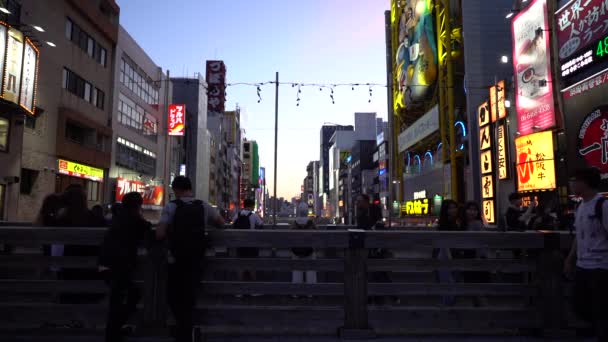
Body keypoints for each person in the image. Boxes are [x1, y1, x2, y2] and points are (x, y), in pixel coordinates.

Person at [156, 176, 225, 342]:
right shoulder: (203, 206)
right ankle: (189, 331)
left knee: (174, 296)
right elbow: (221, 223)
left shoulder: (171, 207)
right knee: (191, 296)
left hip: (176, 259)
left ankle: (182, 331)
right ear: (190, 188)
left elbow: (160, 234)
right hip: (197, 259)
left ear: (176, 189)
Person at [98, 192, 151, 342]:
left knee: (117, 300)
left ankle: (114, 331)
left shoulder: (118, 217)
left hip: (106, 262)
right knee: (130, 296)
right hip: (120, 266)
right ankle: (114, 332)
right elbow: (147, 228)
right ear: (138, 206)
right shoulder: (135, 219)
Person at [564, 168, 608, 341]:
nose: (571, 184)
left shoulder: (602, 205)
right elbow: (578, 236)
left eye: (574, 180)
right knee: (580, 305)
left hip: (601, 266)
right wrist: (570, 259)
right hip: (583, 265)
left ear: (585, 182)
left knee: (601, 310)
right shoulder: (580, 206)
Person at [460, 201, 490, 306]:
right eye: (470, 209)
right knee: (476, 289)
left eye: (475, 210)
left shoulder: (477, 223)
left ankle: (481, 311)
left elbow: (481, 243)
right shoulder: (463, 224)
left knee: (477, 289)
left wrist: (482, 257)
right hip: (470, 257)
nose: (472, 212)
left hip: (477, 258)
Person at [435, 200, 461, 306]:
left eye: (454, 207)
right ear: (445, 210)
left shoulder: (456, 222)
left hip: (453, 256)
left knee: (451, 283)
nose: (453, 210)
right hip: (446, 256)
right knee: (449, 283)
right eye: (450, 208)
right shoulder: (445, 224)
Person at [232, 198, 263, 284]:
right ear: (252, 206)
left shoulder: (237, 215)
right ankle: (253, 289)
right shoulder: (253, 216)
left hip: (239, 243)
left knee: (240, 266)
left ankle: (239, 291)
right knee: (252, 265)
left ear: (244, 205)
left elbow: (233, 224)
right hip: (251, 243)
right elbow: (261, 224)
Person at [291, 201, 316, 292]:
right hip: (309, 249)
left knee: (296, 271)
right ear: (306, 211)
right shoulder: (311, 222)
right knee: (311, 271)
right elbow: (316, 234)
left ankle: (296, 292)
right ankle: (311, 292)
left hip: (296, 250)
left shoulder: (294, 223)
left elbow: (290, 235)